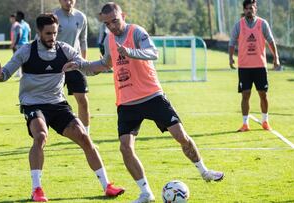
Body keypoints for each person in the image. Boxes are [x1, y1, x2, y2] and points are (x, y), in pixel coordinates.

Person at [63, 3, 224, 203]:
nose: (112, 26)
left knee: (180, 136)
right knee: (125, 147)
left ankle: (204, 171)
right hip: (126, 102)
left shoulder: (136, 31)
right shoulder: (109, 39)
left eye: (115, 20)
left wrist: (131, 52)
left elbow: (152, 52)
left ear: (123, 15)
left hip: (152, 96)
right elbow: (105, 64)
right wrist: (80, 65)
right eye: (107, 23)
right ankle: (146, 192)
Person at [0, 13, 124, 202]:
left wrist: (104, 64)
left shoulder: (64, 50)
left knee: (85, 138)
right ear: (38, 32)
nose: (52, 37)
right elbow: (5, 73)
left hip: (58, 105)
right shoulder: (26, 51)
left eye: (54, 33)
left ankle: (107, 186)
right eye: (48, 33)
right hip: (33, 104)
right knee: (41, 136)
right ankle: (36, 189)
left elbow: (86, 67)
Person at [229, 0, 280, 132]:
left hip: (260, 66)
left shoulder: (262, 24)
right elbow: (232, 42)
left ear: (255, 8)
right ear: (244, 10)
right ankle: (245, 124)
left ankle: (265, 121)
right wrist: (230, 58)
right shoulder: (238, 25)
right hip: (244, 67)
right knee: (245, 95)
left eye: (251, 8)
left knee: (263, 94)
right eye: (246, 9)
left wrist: (276, 58)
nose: (249, 11)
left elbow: (270, 41)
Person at [53, 0, 91, 135]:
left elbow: (83, 40)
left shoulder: (81, 17)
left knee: (83, 100)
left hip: (76, 63)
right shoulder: (53, 16)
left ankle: (86, 136)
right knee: (50, 101)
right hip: (56, 64)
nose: (68, 2)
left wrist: (84, 63)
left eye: (71, 0)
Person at [13, 11, 31, 78]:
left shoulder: (18, 25)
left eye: (17, 16)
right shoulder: (26, 24)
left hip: (20, 44)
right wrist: (28, 42)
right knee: (25, 61)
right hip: (26, 44)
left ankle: (22, 75)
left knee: (19, 61)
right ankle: (25, 75)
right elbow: (29, 33)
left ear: (20, 17)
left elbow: (19, 34)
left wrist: (15, 44)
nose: (15, 17)